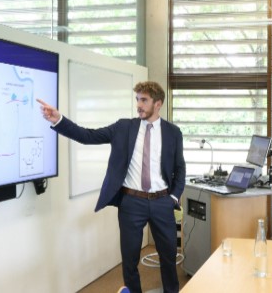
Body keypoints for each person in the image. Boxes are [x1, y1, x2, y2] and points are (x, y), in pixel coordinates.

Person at [36, 81, 184, 293]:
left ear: (158, 104)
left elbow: (180, 168)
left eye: (144, 100)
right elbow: (88, 136)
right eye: (137, 99)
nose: (139, 105)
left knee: (169, 257)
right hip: (132, 202)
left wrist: (173, 197)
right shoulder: (124, 127)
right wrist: (58, 120)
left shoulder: (173, 132)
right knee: (130, 258)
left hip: (162, 202)